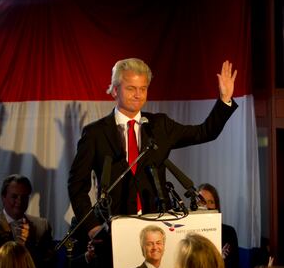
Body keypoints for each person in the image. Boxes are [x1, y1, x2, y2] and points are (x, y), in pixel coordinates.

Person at [68, 58, 238, 236]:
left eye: (143, 88)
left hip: (159, 227)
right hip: (113, 228)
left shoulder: (160, 125)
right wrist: (92, 227)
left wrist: (224, 100)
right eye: (131, 88)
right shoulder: (95, 133)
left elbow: (204, 132)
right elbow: (76, 185)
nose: (138, 94)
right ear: (115, 90)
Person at [197, 182, 239, 268]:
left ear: (216, 205)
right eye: (202, 202)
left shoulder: (229, 232)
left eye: (211, 202)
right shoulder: (188, 233)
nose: (207, 206)